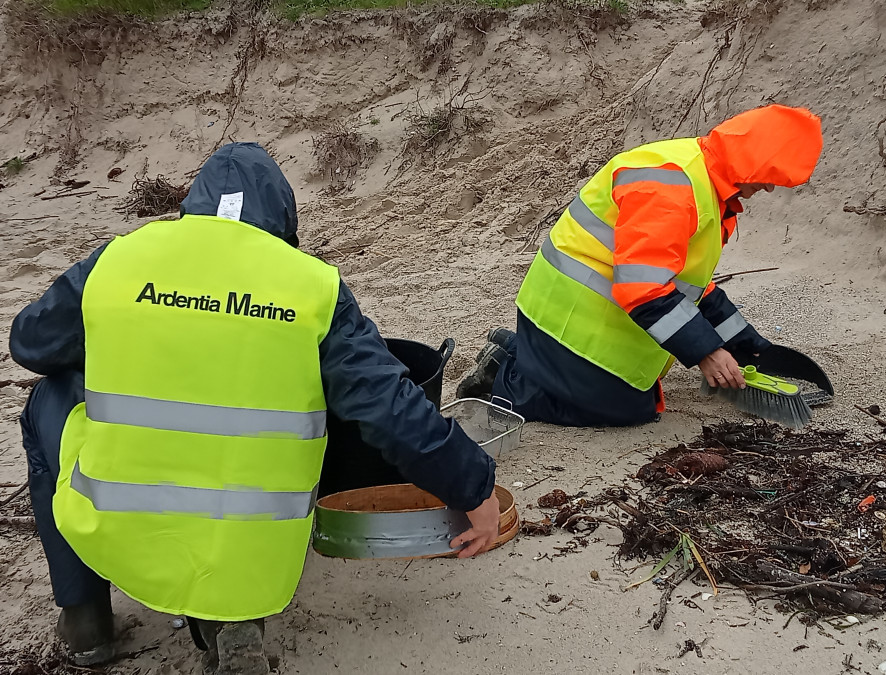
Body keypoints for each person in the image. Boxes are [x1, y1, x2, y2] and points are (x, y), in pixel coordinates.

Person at [10, 143, 500, 673]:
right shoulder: (312, 286)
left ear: (190, 210)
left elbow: (31, 345)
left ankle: (86, 621)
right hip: (259, 553)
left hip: (122, 535)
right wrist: (472, 487)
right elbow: (389, 407)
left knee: (48, 396)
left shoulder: (120, 259)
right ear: (285, 224)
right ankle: (237, 618)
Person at [457, 104, 823, 426]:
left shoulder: (705, 179)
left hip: (591, 308)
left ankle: (522, 352)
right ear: (752, 159)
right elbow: (644, 289)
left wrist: (748, 346)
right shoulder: (673, 188)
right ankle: (504, 372)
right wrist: (707, 353)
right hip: (565, 313)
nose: (771, 189)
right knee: (622, 411)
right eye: (771, 177)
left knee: (636, 400)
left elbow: (690, 285)